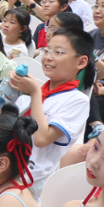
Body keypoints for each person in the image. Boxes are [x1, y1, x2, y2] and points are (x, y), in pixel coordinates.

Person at [9, 27, 92, 197]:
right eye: (47, 50)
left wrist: (34, 94)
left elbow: (41, 139)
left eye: (59, 52)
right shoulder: (35, 90)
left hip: (31, 180)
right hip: (7, 165)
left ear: (81, 62)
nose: (48, 57)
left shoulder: (77, 101)